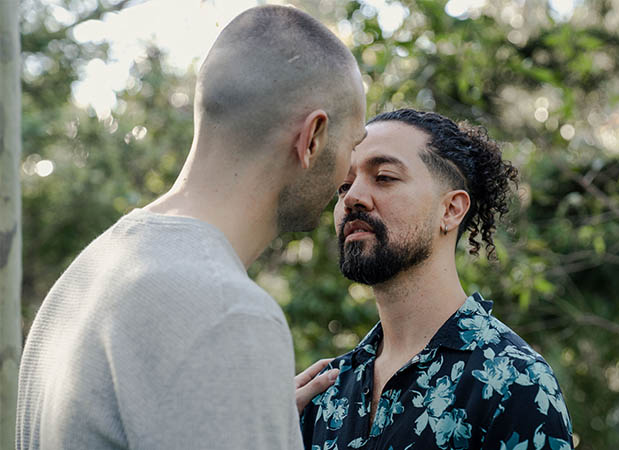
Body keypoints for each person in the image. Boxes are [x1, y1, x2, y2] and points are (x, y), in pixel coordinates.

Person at [16, 5, 366, 449]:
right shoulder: (226, 314)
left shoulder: (83, 278)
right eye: (352, 145)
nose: (349, 180)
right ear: (312, 137)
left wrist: (253, 416)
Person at [300, 109, 573, 450]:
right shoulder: (327, 392)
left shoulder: (514, 381)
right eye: (344, 185)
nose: (352, 197)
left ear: (451, 210)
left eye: (384, 177)